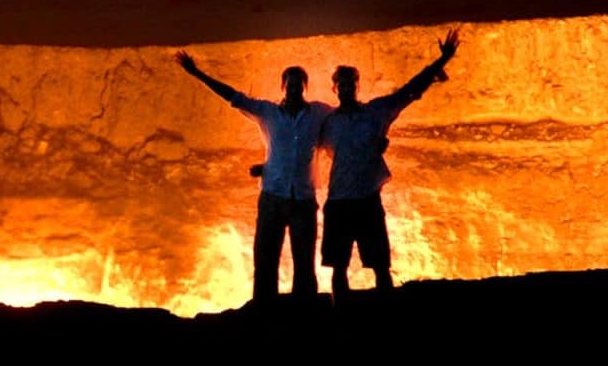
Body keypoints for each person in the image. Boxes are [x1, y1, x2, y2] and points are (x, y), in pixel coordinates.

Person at [174, 50, 332, 305]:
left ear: (304, 87)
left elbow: (346, 122)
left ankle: (304, 312)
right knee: (266, 258)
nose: (293, 89)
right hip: (273, 197)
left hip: (303, 198)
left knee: (304, 260)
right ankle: (264, 310)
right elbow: (234, 97)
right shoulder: (267, 113)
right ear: (283, 87)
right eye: (289, 85)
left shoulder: (318, 113)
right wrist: (198, 74)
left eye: (298, 85)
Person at [321, 28, 460, 304]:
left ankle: (387, 319)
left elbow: (409, 90)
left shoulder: (375, 113)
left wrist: (441, 62)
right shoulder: (327, 123)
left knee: (381, 265)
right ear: (336, 89)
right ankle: (340, 323)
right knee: (338, 267)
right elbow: (297, 143)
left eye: (351, 84)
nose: (347, 89)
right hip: (338, 201)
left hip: (367, 199)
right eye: (342, 85)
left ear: (356, 86)